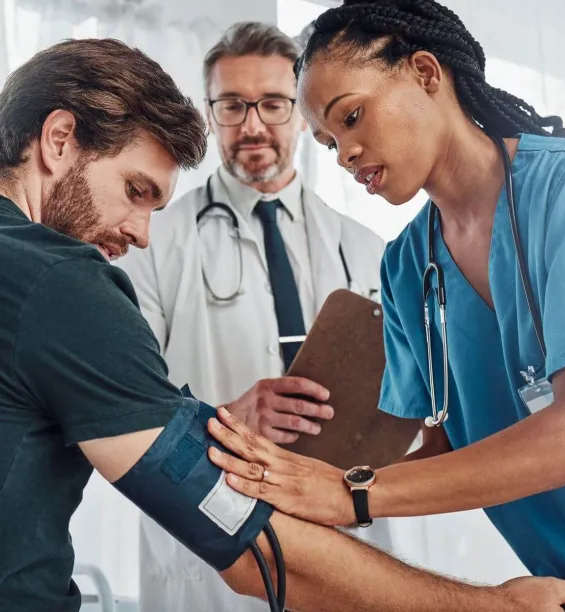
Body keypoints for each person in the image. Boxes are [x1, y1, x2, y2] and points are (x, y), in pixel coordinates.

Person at [0, 35, 565, 612]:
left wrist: (351, 490)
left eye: (347, 119)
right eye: (135, 190)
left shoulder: (396, 243)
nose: (141, 234)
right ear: (58, 140)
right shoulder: (67, 281)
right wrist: (487, 605)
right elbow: (245, 542)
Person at [205, 1, 565, 611]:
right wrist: (285, 488)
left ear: (425, 72)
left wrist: (352, 493)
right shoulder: (405, 267)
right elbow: (442, 448)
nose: (344, 154)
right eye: (329, 139)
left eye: (353, 115)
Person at [117, 21, 396, 612]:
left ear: (301, 112)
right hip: (208, 536)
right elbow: (123, 397)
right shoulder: (151, 241)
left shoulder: (367, 247)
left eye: (272, 103)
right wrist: (225, 417)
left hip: (343, 530)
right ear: (210, 112)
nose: (252, 125)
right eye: (231, 105)